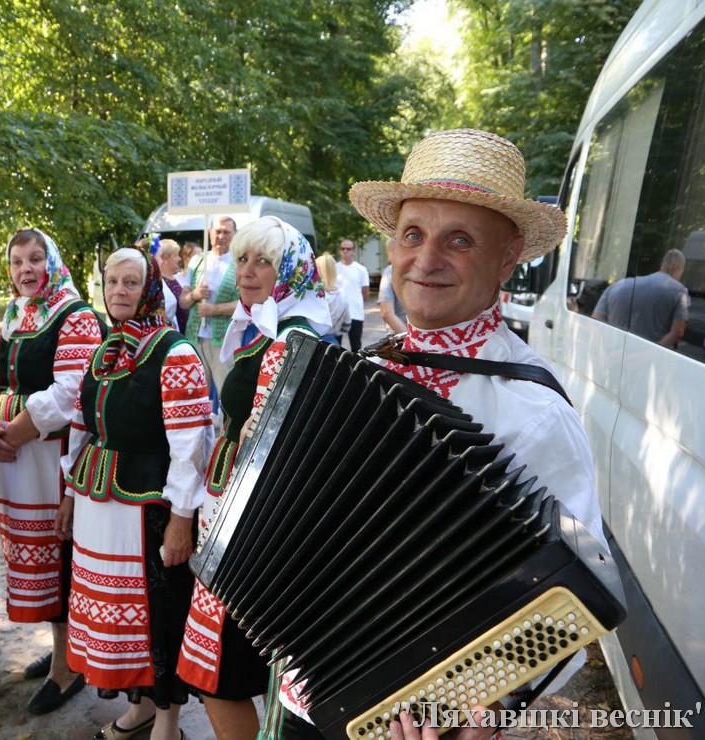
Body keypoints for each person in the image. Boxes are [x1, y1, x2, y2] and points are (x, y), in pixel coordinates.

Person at [260, 129, 607, 740]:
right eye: (413, 234)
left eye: (460, 240)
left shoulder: (534, 408)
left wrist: (486, 707)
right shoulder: (366, 367)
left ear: (509, 256)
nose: (425, 261)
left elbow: (571, 605)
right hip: (306, 690)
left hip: (426, 722)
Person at [177, 218, 330, 739]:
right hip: (242, 515)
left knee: (216, 671)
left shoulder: (291, 338)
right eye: (242, 259)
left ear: (290, 271)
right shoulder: (277, 327)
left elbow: (267, 447)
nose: (247, 271)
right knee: (227, 670)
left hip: (249, 526)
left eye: (263, 261)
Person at [56, 247, 213, 740]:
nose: (119, 291)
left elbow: (191, 445)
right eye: (112, 282)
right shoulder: (105, 351)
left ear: (149, 288)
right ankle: (139, 707)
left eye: (130, 282)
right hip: (99, 506)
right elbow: (81, 426)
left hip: (149, 507)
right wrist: (67, 495)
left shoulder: (175, 352)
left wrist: (182, 516)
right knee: (121, 622)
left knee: (158, 613)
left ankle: (167, 721)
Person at [0, 228, 102, 715]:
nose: (25, 269)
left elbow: (72, 389)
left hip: (52, 456)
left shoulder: (75, 315)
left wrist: (13, 432)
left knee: (60, 549)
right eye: (16, 262)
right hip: (16, 455)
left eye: (35, 259)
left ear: (53, 262)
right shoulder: (14, 315)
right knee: (38, 552)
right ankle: (63, 645)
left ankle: (68, 667)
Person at [179, 216, 240, 395]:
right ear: (210, 233)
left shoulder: (239, 263)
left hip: (223, 339)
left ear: (234, 234)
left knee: (226, 393)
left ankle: (227, 424)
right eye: (218, 231)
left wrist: (215, 310)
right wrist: (195, 295)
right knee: (195, 392)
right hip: (195, 337)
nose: (221, 236)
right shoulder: (197, 261)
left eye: (226, 232)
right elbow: (183, 301)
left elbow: (246, 304)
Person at [592, 249, 690, 348]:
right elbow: (678, 332)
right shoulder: (680, 292)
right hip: (648, 360)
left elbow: (596, 320)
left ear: (663, 264)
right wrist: (646, 355)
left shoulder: (618, 285)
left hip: (612, 354)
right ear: (678, 268)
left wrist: (605, 352)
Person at [334, 239, 370, 351]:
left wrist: (358, 303)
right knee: (335, 347)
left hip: (355, 313)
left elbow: (365, 292)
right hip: (338, 314)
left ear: (353, 251)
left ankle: (355, 369)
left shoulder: (361, 270)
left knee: (356, 347)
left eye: (348, 248)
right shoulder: (334, 268)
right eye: (342, 248)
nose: (345, 251)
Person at [313, 254, 348, 345]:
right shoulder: (343, 296)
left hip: (311, 343)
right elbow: (347, 325)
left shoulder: (312, 294)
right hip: (332, 343)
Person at [158, 238, 190, 332]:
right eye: (176, 255)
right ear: (165, 258)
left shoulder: (178, 279)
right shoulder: (160, 283)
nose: (179, 259)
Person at [378, 257, 407, 334]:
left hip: (400, 335)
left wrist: (410, 340)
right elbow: (386, 313)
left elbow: (386, 313)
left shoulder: (390, 271)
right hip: (429, 338)